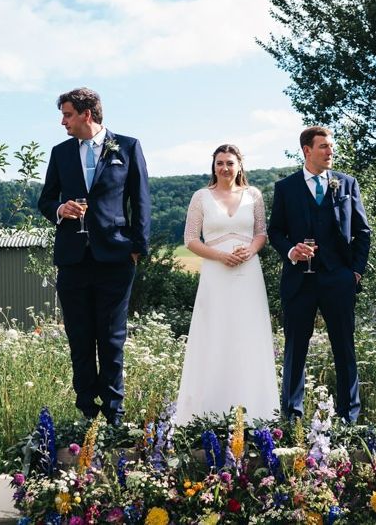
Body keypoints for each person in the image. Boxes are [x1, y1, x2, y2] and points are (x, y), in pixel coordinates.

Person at [38, 88, 150, 425]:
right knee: (80, 337)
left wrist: (135, 249)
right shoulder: (60, 153)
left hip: (115, 257)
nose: (63, 122)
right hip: (72, 258)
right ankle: (87, 410)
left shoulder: (127, 146)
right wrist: (60, 208)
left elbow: (141, 201)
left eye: (68, 115)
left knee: (112, 338)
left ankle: (114, 412)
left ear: (88, 114)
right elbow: (46, 200)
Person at [268, 126, 370, 422]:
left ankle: (349, 416)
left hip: (339, 278)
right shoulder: (286, 187)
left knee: (344, 348)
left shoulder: (346, 184)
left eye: (331, 146)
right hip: (299, 280)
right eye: (324, 146)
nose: (330, 152)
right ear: (307, 150)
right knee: (295, 348)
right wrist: (291, 250)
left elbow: (363, 232)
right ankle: (292, 416)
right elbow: (276, 231)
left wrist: (355, 272)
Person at [174, 144, 279, 425]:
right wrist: (220, 256)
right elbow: (190, 239)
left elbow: (261, 233)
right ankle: (208, 411)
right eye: (219, 163)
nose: (224, 168)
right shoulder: (201, 197)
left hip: (248, 272)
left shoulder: (254, 195)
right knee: (215, 333)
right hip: (215, 273)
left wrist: (252, 250)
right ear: (214, 166)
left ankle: (257, 411)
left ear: (240, 165)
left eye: (230, 163)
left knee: (248, 334)